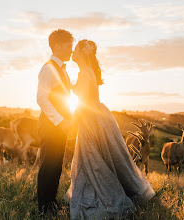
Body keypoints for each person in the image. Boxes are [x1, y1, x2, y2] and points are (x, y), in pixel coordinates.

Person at [64, 39, 155, 219]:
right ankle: (126, 189)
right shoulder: (88, 71)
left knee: (92, 158)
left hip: (89, 117)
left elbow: (81, 96)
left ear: (83, 53)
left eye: (76, 50)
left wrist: (65, 84)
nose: (73, 53)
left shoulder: (83, 72)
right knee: (106, 156)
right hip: (98, 114)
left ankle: (107, 197)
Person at [36, 29, 74, 214]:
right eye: (68, 46)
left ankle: (51, 203)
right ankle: (44, 208)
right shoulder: (48, 69)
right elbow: (41, 99)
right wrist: (61, 121)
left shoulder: (62, 69)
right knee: (48, 165)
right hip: (51, 125)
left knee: (56, 166)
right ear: (57, 45)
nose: (71, 50)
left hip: (60, 125)